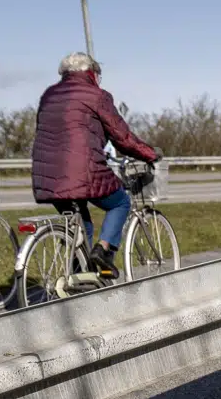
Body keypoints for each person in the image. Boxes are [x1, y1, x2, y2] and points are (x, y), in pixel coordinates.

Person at [31, 52, 159, 279]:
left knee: (82, 227)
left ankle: (80, 280)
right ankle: (103, 250)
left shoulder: (49, 95)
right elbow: (122, 137)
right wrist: (149, 154)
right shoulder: (97, 95)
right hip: (82, 171)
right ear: (91, 72)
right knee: (120, 202)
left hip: (46, 175)